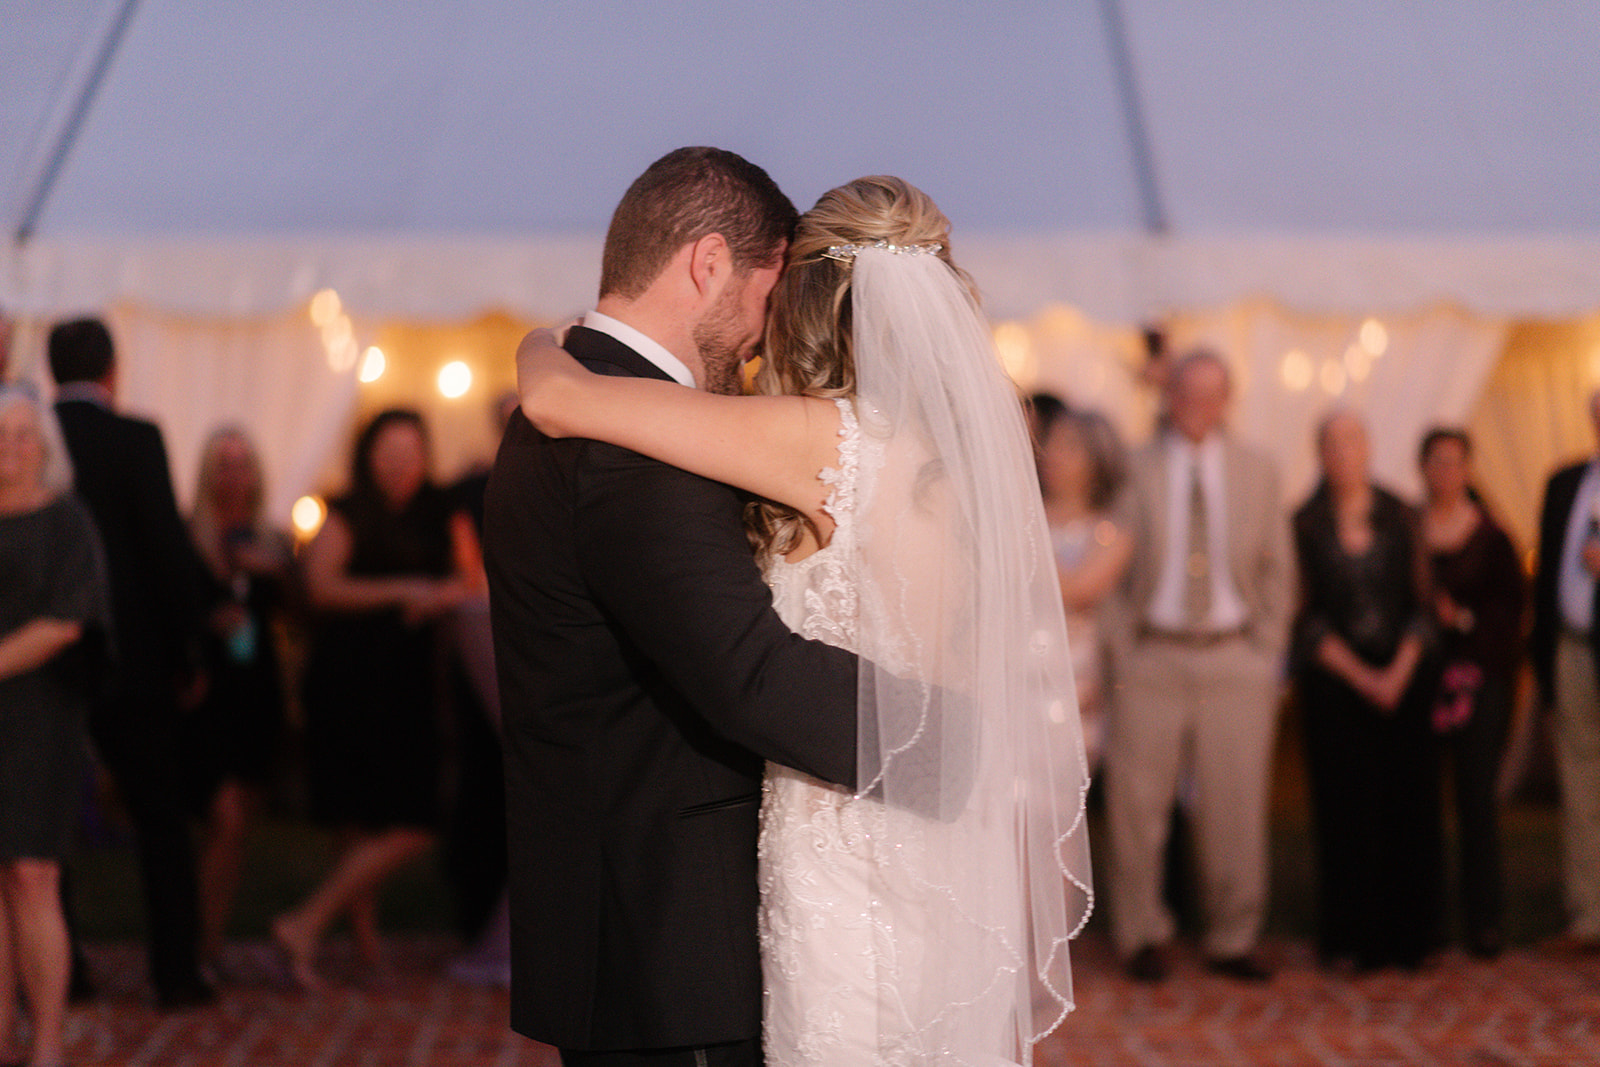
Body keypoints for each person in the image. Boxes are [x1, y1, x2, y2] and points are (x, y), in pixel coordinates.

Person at [509, 167, 1091, 1065]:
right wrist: (954, 743)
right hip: (934, 844)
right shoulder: (954, 460)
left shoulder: (822, 441)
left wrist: (540, 347)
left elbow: (561, 402)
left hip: (845, 840)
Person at [272, 408, 479, 990]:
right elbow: (319, 586)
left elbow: (469, 578)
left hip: (409, 681)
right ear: (368, 455)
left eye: (410, 450)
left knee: (416, 817)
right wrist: (404, 591)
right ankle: (357, 942)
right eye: (387, 451)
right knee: (359, 819)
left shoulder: (442, 509)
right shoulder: (347, 509)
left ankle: (307, 923)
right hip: (348, 678)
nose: (400, 463)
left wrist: (439, 595)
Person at [1104, 347, 1292, 983]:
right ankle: (1141, 933)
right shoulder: (1134, 466)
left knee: (1234, 805)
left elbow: (1277, 568)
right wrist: (1122, 650)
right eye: (1186, 392)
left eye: (1211, 394)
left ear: (1228, 399)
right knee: (1138, 807)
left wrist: (1265, 648)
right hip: (1152, 656)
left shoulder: (1258, 470)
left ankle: (1232, 936)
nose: (1197, 406)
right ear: (1169, 396)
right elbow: (1111, 566)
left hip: (1233, 656)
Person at [49, 316, 218, 1009]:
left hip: (50, 657)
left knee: (46, 823)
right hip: (134, 658)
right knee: (160, 819)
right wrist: (190, 648)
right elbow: (165, 551)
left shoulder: (29, 439)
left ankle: (65, 969)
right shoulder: (135, 437)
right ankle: (175, 973)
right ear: (113, 370)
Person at [1292, 410, 1442, 972]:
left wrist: (1397, 672)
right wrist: (1359, 675)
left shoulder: (1401, 514)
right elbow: (1303, 615)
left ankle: (1410, 935)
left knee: (1407, 804)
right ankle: (1353, 935)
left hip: (1404, 676)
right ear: (1320, 452)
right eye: (1333, 443)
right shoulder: (1304, 522)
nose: (1344, 452)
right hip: (1335, 681)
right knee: (1345, 809)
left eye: (1354, 440)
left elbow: (1424, 604)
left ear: (1370, 447)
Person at [0, 386, 111, 1067]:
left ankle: (45, 1044)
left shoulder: (66, 520)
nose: (9, 446)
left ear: (44, 445)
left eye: (21, 433)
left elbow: (66, 622)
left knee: (33, 873)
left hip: (40, 714)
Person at [184, 425, 294, 976]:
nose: (233, 474)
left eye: (242, 463)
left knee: (241, 824)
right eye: (223, 463)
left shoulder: (272, 539)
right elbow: (171, 611)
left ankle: (211, 939)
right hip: (208, 694)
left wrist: (274, 569)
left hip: (257, 692)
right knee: (222, 817)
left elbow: (299, 607)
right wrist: (207, 623)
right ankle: (197, 945)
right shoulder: (187, 535)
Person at [1418, 427, 1525, 959]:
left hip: (1477, 683)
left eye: (1455, 462)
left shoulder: (1492, 535)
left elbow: (1510, 611)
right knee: (1421, 804)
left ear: (1468, 468)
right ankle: (1428, 919)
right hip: (1420, 684)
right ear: (1423, 468)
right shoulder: (1409, 532)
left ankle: (1484, 922)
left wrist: (1460, 620)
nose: (1445, 472)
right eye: (1436, 461)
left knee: (1475, 802)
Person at [1530, 389, 1600, 953]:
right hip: (1571, 648)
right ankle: (1587, 914)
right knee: (1579, 783)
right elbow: (1546, 570)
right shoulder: (1564, 483)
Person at [1035, 397, 1131, 772]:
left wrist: (1022, 537)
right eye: (1051, 443)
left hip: (1071, 689)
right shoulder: (1022, 517)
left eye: (1069, 447)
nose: (1053, 455)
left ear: (1096, 461)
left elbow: (1077, 591)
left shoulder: (1111, 531)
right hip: (1004, 679)